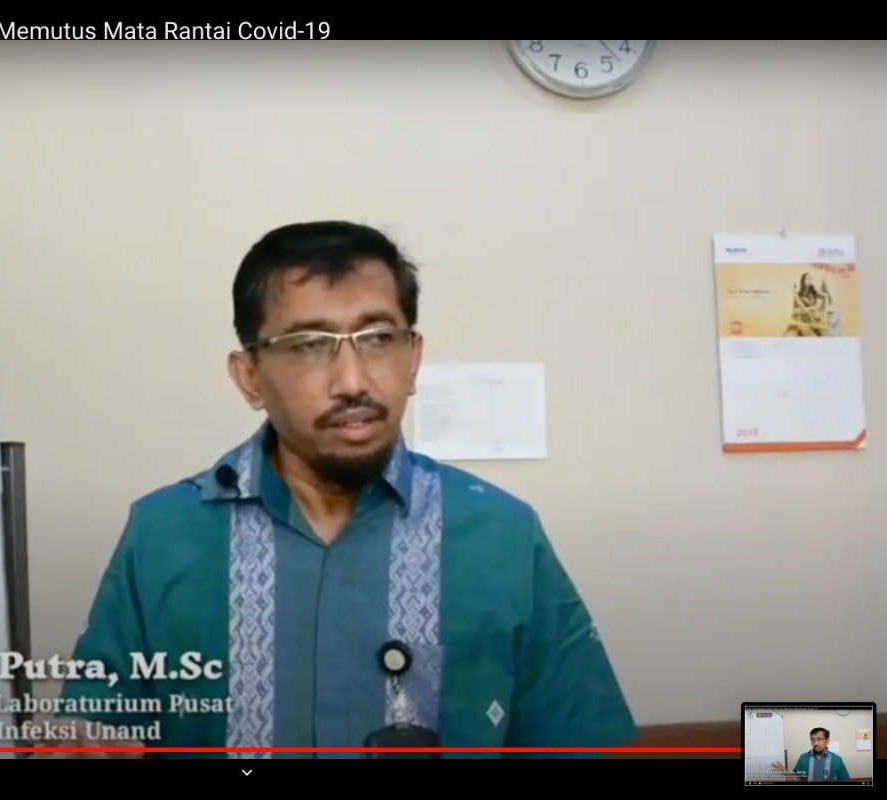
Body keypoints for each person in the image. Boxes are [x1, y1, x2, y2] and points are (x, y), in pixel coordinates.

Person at [49, 221, 636, 758]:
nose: (353, 381)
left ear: (413, 359)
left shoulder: (503, 537)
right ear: (249, 377)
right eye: (309, 344)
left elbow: (582, 741)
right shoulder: (162, 537)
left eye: (378, 338)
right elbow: (97, 735)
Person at [771, 728, 851, 781]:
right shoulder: (803, 758)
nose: (815, 743)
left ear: (827, 741)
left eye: (819, 739)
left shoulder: (837, 760)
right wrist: (787, 774)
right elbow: (796, 778)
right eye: (813, 740)